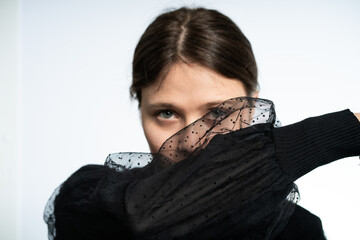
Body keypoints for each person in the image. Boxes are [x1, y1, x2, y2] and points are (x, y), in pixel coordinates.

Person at [44, 7, 360, 240]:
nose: (191, 141)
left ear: (255, 110)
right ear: (140, 109)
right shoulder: (86, 203)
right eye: (166, 113)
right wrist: (334, 133)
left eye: (219, 113)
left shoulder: (299, 231)